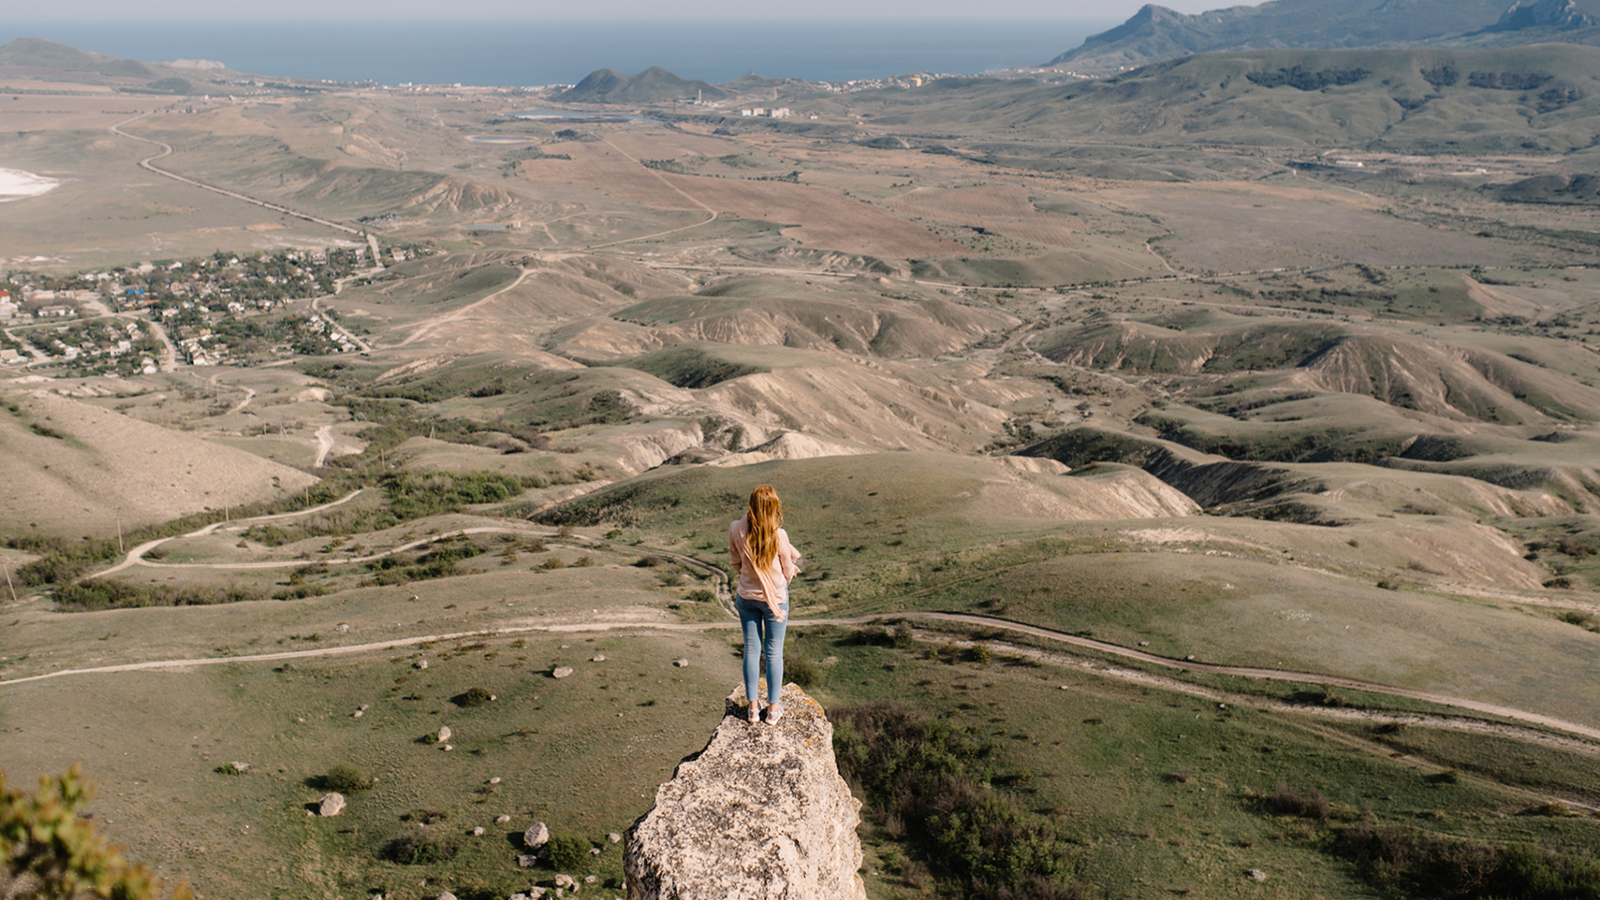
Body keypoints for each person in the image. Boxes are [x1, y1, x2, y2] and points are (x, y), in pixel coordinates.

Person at [729, 484, 802, 723]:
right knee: (773, 652)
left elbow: (736, 563)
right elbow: (788, 570)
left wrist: (750, 575)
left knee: (751, 649)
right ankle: (772, 710)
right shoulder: (779, 535)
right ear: (773, 508)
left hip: (746, 597)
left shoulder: (735, 529)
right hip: (775, 602)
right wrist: (778, 582)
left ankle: (752, 709)